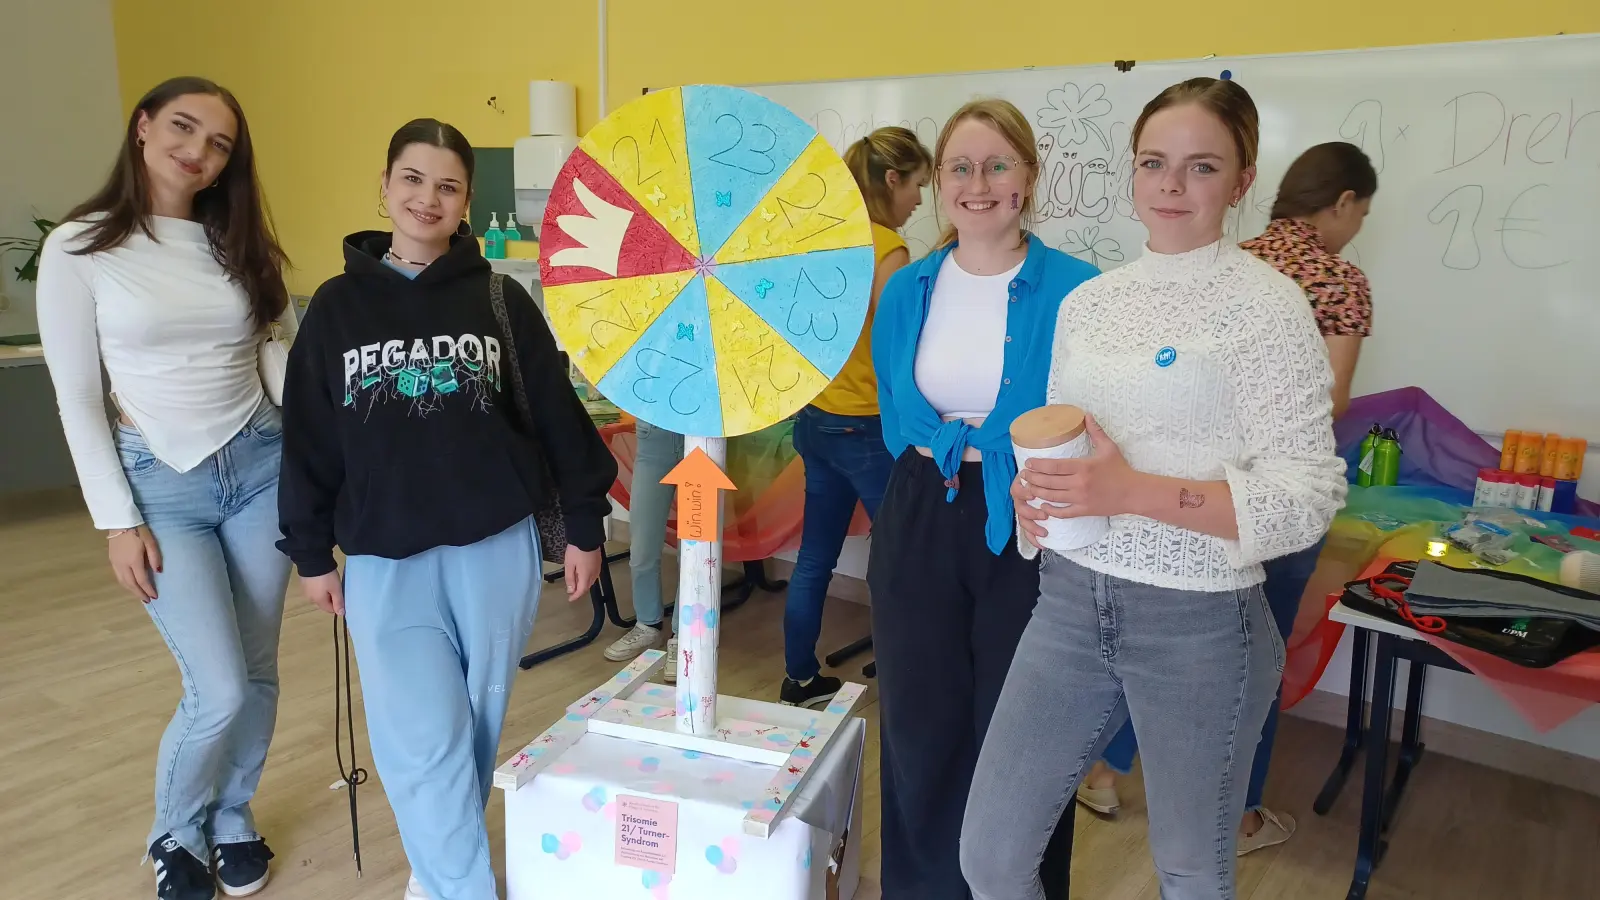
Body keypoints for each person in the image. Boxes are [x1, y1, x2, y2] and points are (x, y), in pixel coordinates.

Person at [960, 78, 1346, 900]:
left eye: (1201, 166)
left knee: (1190, 872)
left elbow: (1307, 498)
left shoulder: (1269, 308)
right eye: (1153, 162)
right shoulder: (1090, 304)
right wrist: (1038, 499)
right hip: (1068, 604)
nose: (1171, 185)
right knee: (989, 858)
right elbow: (1067, 442)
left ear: (1241, 182)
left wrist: (1129, 491)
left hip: (1199, 625)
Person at [276, 119, 616, 900]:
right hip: (382, 558)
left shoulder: (500, 299)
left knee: (472, 723)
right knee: (419, 740)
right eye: (412, 178)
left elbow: (555, 416)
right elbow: (309, 437)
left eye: (447, 186)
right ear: (385, 186)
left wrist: (585, 525)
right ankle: (461, 887)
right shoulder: (335, 308)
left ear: (466, 202)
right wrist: (309, 550)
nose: (427, 198)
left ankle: (437, 879)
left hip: (493, 549)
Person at [1076, 141, 1378, 855]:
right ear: (1342, 203)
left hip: (1177, 505)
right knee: (1251, 660)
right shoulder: (1337, 280)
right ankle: (1237, 814)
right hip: (1259, 499)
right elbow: (1329, 401)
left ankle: (1108, 771)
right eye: (1361, 213)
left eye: (1198, 167)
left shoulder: (1227, 263)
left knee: (1156, 643)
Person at [37, 76, 292, 900]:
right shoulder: (79, 247)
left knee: (257, 671)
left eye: (219, 144)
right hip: (160, 486)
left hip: (262, 468)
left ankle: (233, 816)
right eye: (183, 127)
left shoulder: (235, 241)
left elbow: (276, 355)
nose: (198, 151)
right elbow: (78, 397)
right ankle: (175, 833)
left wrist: (330, 456)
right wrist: (117, 522)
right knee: (217, 686)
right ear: (143, 127)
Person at [868, 100, 1098, 899]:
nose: (979, 183)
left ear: (1028, 176)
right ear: (938, 181)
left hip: (1033, 514)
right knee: (919, 725)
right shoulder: (909, 288)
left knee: (1025, 734)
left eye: (998, 164)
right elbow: (896, 411)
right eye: (960, 167)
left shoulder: (1079, 291)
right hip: (920, 506)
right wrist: (950, 454)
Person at [776, 126, 932, 708]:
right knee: (899, 561)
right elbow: (900, 346)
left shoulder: (825, 241)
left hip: (817, 419)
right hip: (866, 427)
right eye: (917, 184)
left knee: (815, 557)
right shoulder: (887, 249)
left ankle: (798, 679)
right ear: (892, 180)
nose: (920, 199)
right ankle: (907, 683)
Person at [603, 420, 683, 674]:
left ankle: (685, 635)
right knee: (642, 546)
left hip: (704, 435)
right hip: (655, 435)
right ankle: (648, 625)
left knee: (695, 550)